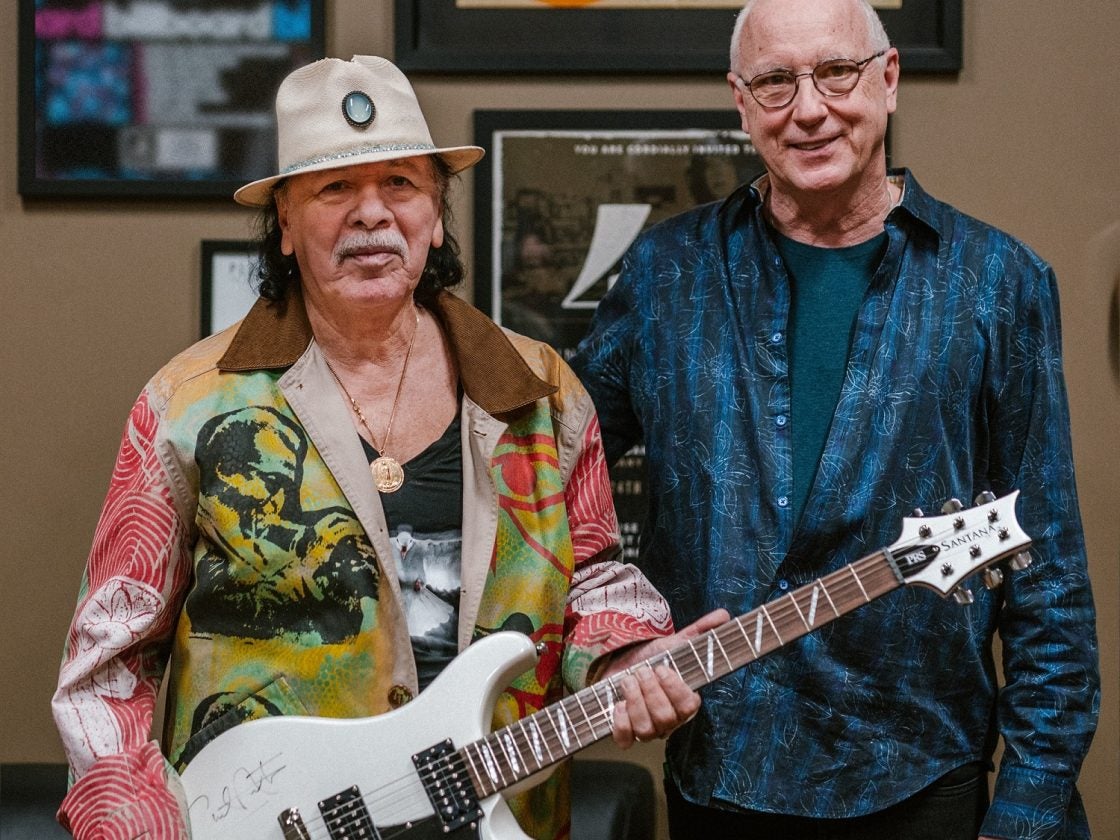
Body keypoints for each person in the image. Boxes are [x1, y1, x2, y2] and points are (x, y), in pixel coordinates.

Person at [51, 55, 724, 840]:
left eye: (401, 183)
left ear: (436, 215)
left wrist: (627, 659)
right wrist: (139, 822)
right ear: (285, 223)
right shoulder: (189, 404)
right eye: (335, 188)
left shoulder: (541, 393)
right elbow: (107, 663)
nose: (372, 213)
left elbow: (590, 577)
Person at [570, 1, 1100, 838]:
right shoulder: (665, 275)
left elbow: (1050, 577)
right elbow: (546, 484)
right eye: (776, 82)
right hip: (720, 778)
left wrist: (1028, 809)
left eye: (837, 73)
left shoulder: (999, 282)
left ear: (887, 80)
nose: (809, 109)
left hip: (925, 779)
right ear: (741, 102)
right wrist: (617, 640)